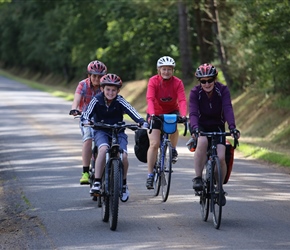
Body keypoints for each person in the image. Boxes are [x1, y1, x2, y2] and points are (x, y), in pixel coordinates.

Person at [81, 73, 147, 202]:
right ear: (102, 89)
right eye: (108, 89)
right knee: (103, 149)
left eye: (114, 90)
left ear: (118, 91)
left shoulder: (120, 100)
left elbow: (131, 110)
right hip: (101, 131)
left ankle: (123, 184)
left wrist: (141, 121)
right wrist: (85, 120)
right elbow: (87, 113)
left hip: (118, 131)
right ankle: (97, 182)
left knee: (123, 156)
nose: (110, 92)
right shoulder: (97, 100)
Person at [189, 63, 240, 206]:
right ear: (199, 82)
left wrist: (232, 127)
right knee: (203, 142)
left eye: (210, 80)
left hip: (218, 125)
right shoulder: (195, 92)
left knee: (222, 156)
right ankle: (198, 178)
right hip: (201, 124)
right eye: (203, 81)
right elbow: (192, 112)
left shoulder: (222, 90)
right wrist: (194, 128)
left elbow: (228, 108)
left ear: (215, 79)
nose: (207, 84)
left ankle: (220, 188)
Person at [145, 56, 187, 189]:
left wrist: (183, 115)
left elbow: (182, 100)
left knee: (173, 127)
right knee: (154, 143)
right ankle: (150, 175)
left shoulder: (178, 82)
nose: (166, 72)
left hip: (171, 111)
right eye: (164, 69)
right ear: (159, 70)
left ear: (173, 70)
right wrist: (152, 115)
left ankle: (173, 149)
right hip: (155, 113)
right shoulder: (153, 81)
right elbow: (150, 99)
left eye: (169, 69)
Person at [69, 60, 107, 185]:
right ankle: (85, 171)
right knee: (88, 139)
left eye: (100, 76)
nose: (97, 78)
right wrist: (75, 109)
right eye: (94, 75)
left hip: (102, 118)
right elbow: (77, 98)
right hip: (86, 118)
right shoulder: (83, 85)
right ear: (89, 75)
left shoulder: (106, 86)